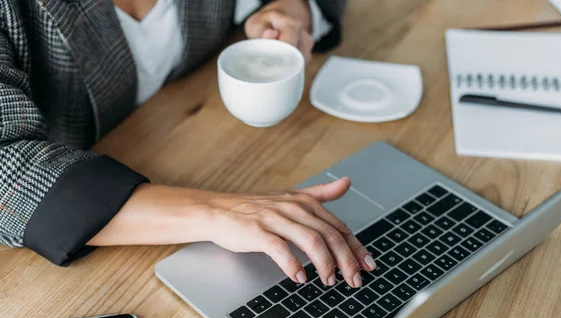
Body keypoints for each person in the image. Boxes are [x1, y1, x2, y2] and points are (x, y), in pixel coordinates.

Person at [0, 0, 376, 289]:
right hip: (77, 257)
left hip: (204, 136)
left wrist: (290, 9)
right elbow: (8, 170)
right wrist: (218, 212)